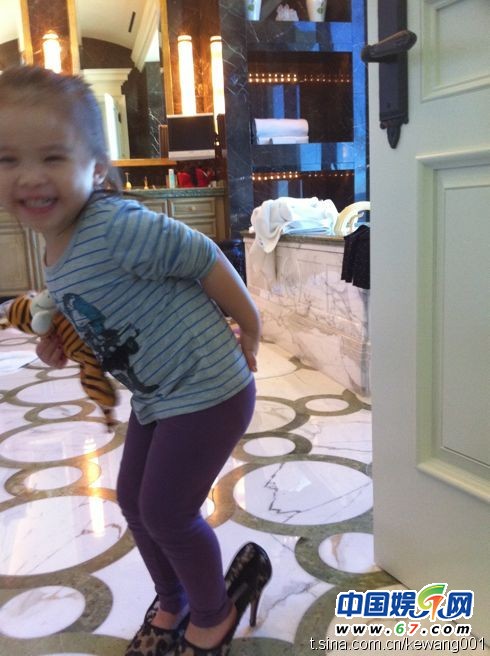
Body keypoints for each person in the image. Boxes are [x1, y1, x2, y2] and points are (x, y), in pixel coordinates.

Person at [0, 65, 271, 656]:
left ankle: (213, 614)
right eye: (7, 159)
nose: (29, 176)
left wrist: (250, 325)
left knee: (168, 511)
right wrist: (62, 343)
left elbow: (204, 255)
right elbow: (94, 314)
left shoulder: (115, 226)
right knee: (135, 502)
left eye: (52, 157)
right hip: (159, 394)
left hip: (209, 387)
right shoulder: (56, 243)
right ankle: (173, 598)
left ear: (97, 168)